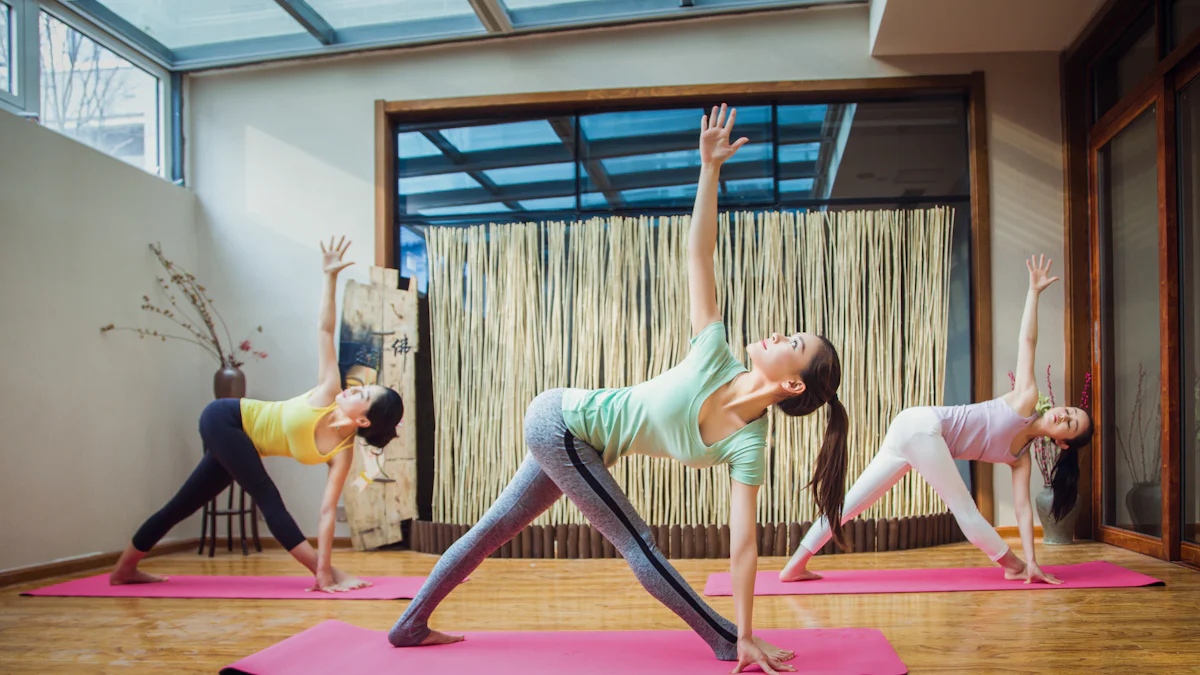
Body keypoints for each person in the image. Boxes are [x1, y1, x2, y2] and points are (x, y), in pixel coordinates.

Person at [388, 105, 849, 675]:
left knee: (496, 527)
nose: (780, 331)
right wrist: (709, 170)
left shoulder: (748, 447)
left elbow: (744, 546)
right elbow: (697, 254)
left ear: (791, 382)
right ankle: (723, 642)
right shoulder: (714, 353)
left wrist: (753, 626)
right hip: (561, 422)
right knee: (639, 541)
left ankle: (409, 624)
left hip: (580, 445)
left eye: (794, 340)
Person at [110, 237, 404, 593]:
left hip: (240, 442)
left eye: (362, 394)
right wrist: (329, 278)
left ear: (363, 421)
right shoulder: (328, 390)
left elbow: (327, 514)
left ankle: (124, 570)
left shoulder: (341, 454)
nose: (352, 387)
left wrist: (327, 566)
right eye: (359, 385)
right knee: (267, 496)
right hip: (226, 418)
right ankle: (326, 575)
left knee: (182, 505)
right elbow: (325, 330)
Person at [779, 255, 1093, 585]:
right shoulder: (1026, 398)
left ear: (1062, 442)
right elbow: (1027, 342)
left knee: (853, 504)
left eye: (1069, 424)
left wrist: (1035, 560)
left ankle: (794, 566)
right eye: (1070, 410)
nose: (1063, 414)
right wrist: (1034, 292)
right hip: (922, 427)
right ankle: (1012, 566)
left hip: (912, 432)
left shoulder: (1021, 459)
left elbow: (1023, 510)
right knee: (966, 510)